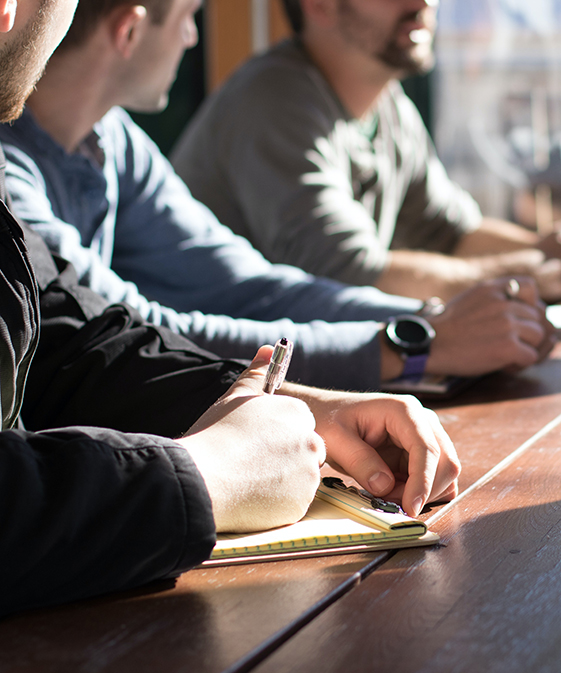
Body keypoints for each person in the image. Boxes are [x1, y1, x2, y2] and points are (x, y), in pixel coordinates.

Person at [0, 0, 463, 619]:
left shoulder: (110, 142)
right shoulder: (276, 98)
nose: (194, 36)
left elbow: (76, 339)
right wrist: (205, 474)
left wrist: (289, 404)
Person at [0, 0, 555, 391]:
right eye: (193, 15)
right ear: (128, 32)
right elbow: (131, 335)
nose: (194, 37)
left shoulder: (111, 138)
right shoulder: (10, 177)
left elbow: (245, 284)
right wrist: (415, 343)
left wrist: (428, 319)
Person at [171, 0, 561, 304]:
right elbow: (348, 273)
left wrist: (547, 247)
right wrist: (529, 275)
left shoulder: (388, 103)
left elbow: (449, 232)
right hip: (226, 380)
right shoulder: (273, 101)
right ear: (320, 5)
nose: (423, 3)